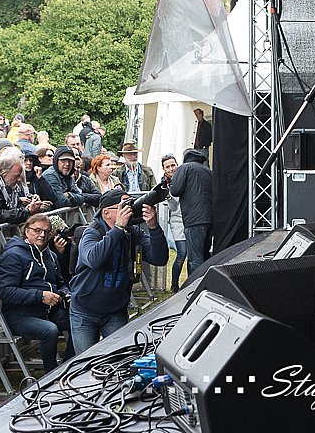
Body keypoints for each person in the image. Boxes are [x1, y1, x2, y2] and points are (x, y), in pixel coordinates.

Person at [69, 189, 168, 352]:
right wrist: (118, 228)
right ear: (106, 213)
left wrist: (153, 226)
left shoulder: (133, 234)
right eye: (124, 206)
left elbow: (160, 259)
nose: (130, 209)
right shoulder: (92, 233)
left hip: (115, 310)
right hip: (85, 312)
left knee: (117, 359)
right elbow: (94, 259)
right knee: (85, 361)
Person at [0, 214, 75, 372]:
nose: (42, 235)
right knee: (49, 330)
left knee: (83, 319)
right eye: (37, 230)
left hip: (48, 311)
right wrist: (40, 296)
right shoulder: (13, 255)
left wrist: (66, 294)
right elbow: (5, 292)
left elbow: (60, 282)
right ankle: (51, 373)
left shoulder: (50, 255)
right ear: (26, 231)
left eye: (46, 231)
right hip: (20, 315)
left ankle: (68, 366)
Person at [167, 148, 212, 272]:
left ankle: (194, 283)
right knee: (205, 255)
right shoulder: (208, 171)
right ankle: (206, 281)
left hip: (194, 219)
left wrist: (170, 185)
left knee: (195, 258)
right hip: (210, 219)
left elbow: (175, 190)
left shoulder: (184, 168)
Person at [0, 149, 51, 225]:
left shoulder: (8, 186)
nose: (20, 179)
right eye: (16, 176)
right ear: (3, 172)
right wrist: (27, 211)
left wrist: (32, 205)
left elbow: (16, 206)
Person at [159, 154, 187, 291]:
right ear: (164, 169)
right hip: (177, 221)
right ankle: (174, 285)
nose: (171, 168)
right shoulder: (164, 184)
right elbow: (173, 207)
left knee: (193, 255)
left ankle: (191, 282)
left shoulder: (185, 176)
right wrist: (169, 196)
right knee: (182, 253)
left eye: (173, 165)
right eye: (168, 166)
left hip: (190, 219)